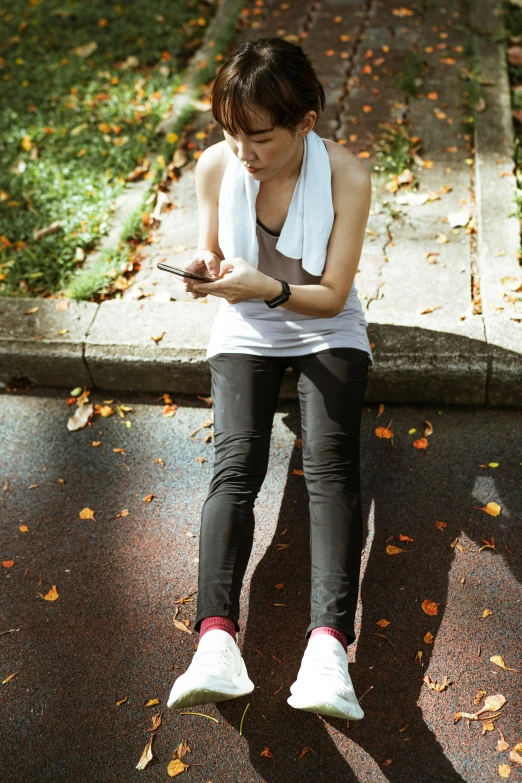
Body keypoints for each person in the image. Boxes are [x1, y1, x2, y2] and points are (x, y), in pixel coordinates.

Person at [167, 37, 373, 720]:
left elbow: (335, 294)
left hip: (319, 320)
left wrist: (268, 288)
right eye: (232, 134)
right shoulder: (217, 166)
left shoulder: (346, 176)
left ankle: (328, 650)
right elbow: (215, 249)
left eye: (259, 138)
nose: (244, 154)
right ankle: (215, 642)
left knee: (333, 464)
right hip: (247, 321)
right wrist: (205, 268)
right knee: (235, 464)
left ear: (304, 123)